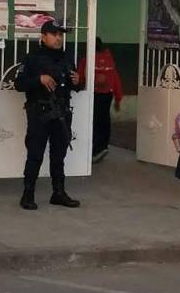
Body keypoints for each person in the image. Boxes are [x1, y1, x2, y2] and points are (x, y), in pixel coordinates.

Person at [15, 20, 81, 210]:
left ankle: (58, 193)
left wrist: (78, 81)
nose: (58, 38)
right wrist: (39, 79)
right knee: (35, 154)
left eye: (60, 35)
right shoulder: (32, 58)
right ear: (43, 37)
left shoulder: (66, 57)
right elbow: (19, 84)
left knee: (58, 156)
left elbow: (73, 85)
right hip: (40, 113)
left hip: (62, 113)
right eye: (54, 34)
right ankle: (28, 194)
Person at [77, 37, 123, 164]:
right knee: (104, 120)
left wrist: (78, 88)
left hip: (93, 94)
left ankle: (93, 149)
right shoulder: (109, 59)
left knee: (91, 121)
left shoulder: (87, 60)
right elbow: (115, 79)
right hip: (107, 94)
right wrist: (118, 98)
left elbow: (80, 77)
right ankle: (103, 146)